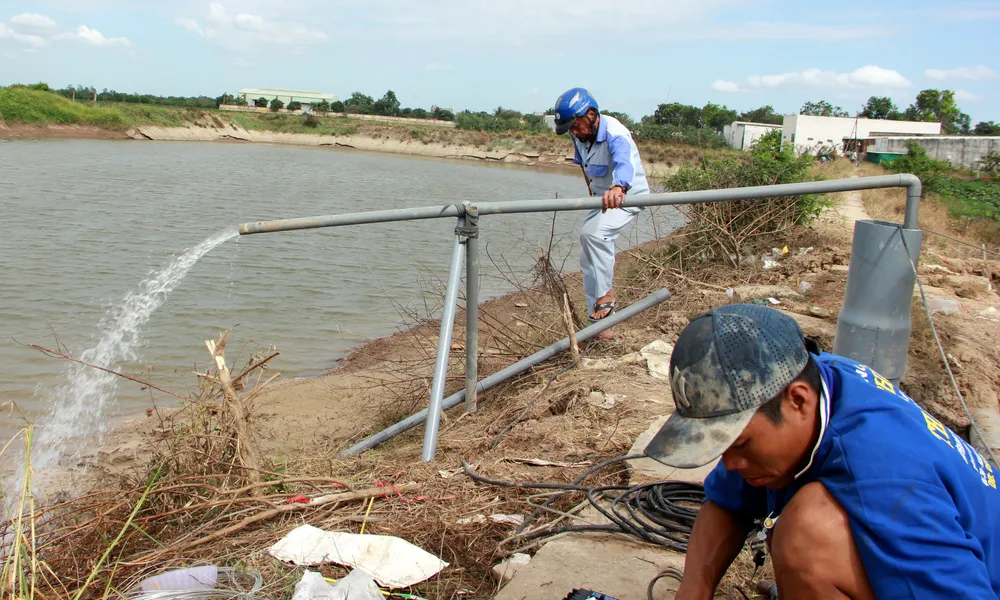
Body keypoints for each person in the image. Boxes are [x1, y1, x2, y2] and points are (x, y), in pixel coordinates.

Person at [643, 303, 1000, 599]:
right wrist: (695, 587)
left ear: (798, 400)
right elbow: (726, 501)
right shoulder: (814, 377)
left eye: (739, 443)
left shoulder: (883, 477)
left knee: (807, 533)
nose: (729, 462)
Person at [553, 87, 649, 340]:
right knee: (587, 254)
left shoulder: (616, 133)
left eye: (577, 125)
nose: (574, 131)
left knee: (594, 236)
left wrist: (619, 186)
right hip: (602, 200)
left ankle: (606, 297)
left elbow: (624, 163)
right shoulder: (580, 134)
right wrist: (593, 195)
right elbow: (584, 166)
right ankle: (600, 327)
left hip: (626, 196)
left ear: (592, 114)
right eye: (570, 128)